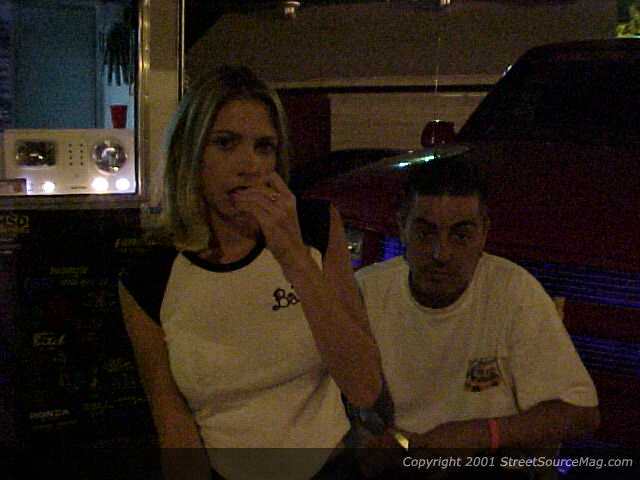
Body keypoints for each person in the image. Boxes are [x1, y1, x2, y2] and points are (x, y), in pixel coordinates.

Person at [118, 65, 385, 480]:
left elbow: (365, 387)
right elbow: (174, 426)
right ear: (191, 154)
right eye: (226, 143)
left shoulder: (314, 226)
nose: (250, 165)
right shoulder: (150, 276)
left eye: (264, 147)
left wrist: (293, 256)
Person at [354, 154, 599, 478]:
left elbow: (582, 414)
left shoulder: (513, 291)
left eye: (460, 235)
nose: (441, 253)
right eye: (426, 233)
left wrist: (479, 435)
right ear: (402, 227)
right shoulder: (366, 291)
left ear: (484, 233)